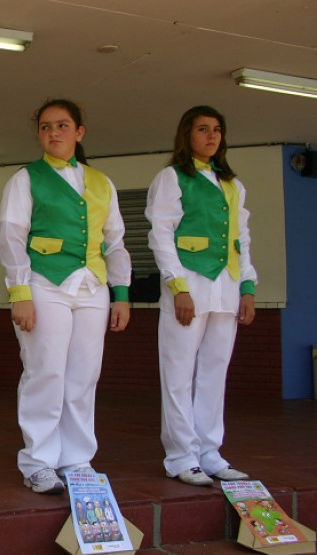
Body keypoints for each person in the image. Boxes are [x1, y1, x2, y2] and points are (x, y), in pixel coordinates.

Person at [0, 99, 131, 494]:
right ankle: (39, 461)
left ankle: (76, 459)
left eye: (62, 125)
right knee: (45, 370)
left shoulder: (101, 182)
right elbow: (11, 238)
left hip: (92, 286)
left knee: (84, 375)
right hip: (44, 282)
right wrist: (19, 292)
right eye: (45, 126)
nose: (53, 132)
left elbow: (115, 241)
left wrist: (121, 293)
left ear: (79, 132)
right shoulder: (26, 178)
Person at [146, 105, 256, 487]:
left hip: (226, 286)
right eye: (203, 129)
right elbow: (161, 234)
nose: (212, 136)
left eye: (217, 130)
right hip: (189, 284)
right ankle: (180, 455)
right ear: (187, 135)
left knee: (214, 373)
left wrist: (247, 287)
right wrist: (177, 285)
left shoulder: (233, 185)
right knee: (178, 373)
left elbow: (242, 240)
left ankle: (209, 452)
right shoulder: (172, 178)